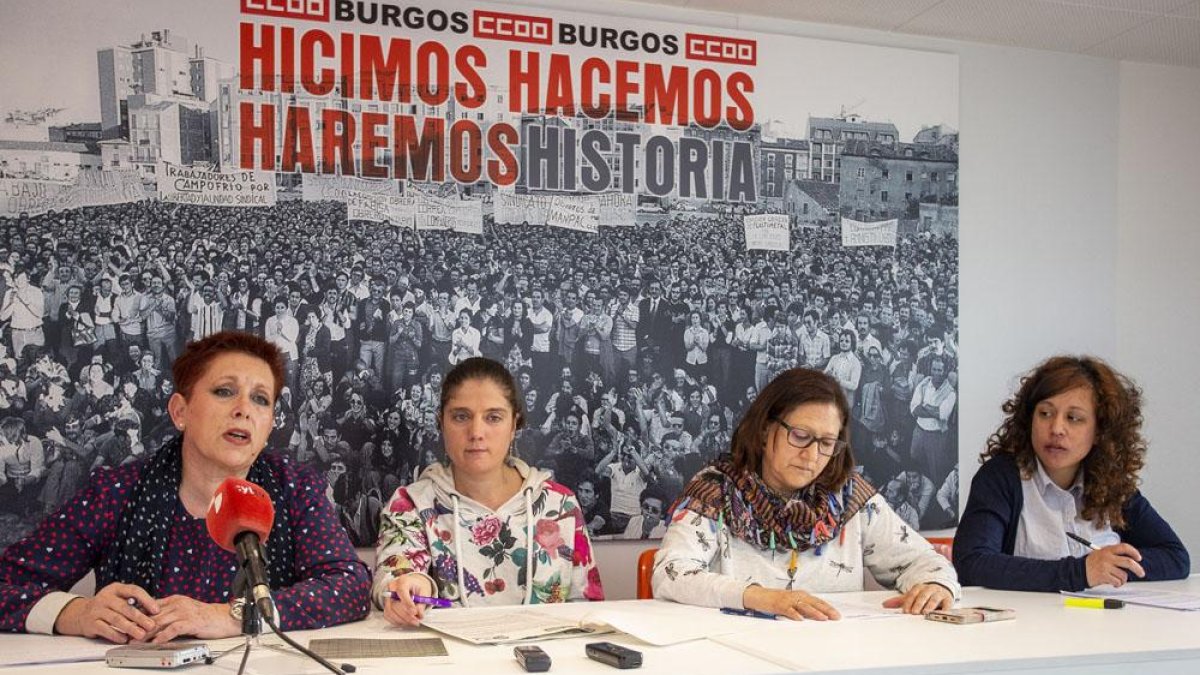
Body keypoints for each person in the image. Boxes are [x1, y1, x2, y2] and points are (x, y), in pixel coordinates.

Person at [0, 331, 371, 642]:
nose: (243, 409)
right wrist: (75, 612)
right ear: (180, 411)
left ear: (270, 422)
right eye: (224, 391)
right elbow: (7, 583)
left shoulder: (295, 488)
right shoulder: (117, 491)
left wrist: (233, 616)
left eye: (260, 399)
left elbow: (349, 586)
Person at [652, 368, 959, 620]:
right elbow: (670, 573)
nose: (812, 456)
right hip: (737, 652)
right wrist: (760, 597)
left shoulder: (849, 497)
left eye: (826, 443)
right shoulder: (716, 490)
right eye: (800, 436)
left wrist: (936, 585)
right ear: (764, 429)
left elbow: (923, 561)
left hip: (831, 656)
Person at [374, 356, 604, 627]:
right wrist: (407, 585)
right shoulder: (412, 504)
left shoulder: (560, 504)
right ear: (441, 423)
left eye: (493, 417)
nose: (476, 432)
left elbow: (588, 611)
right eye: (461, 417)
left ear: (514, 425)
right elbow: (395, 572)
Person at [954, 356, 1189, 592]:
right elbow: (973, 563)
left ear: (1100, 431)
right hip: (1030, 615)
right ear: (1029, 420)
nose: (1056, 429)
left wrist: (1109, 568)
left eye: (1074, 418)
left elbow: (1175, 557)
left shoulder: (1110, 482)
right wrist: (1081, 572)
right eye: (1045, 413)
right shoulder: (1001, 477)